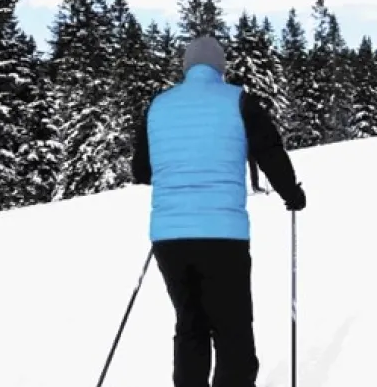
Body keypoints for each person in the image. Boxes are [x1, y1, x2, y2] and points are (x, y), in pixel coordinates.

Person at [131, 35, 306, 387]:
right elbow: (269, 151)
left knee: (190, 326)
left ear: (186, 67)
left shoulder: (159, 105)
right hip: (223, 236)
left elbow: (141, 171)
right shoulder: (238, 101)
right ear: (220, 67)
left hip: (170, 237)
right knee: (232, 328)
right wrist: (292, 194)